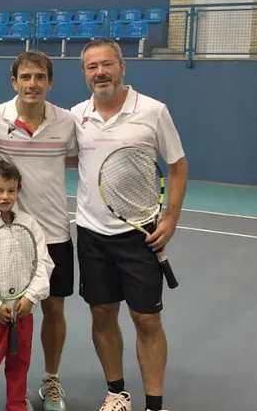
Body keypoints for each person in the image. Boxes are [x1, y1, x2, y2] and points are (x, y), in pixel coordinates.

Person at [70, 39, 188, 411]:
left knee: (146, 318)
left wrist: (170, 216)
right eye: (92, 67)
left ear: (122, 68)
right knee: (102, 313)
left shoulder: (152, 111)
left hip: (140, 234)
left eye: (107, 64)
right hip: (91, 234)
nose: (100, 72)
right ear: (85, 73)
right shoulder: (77, 115)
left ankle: (154, 404)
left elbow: (177, 165)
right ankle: (117, 392)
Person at [0, 50, 77, 411]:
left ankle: (51, 380)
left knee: (53, 310)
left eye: (40, 77)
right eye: (25, 77)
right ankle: (10, 391)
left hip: (53, 234)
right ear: (14, 82)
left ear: (50, 82)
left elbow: (83, 151)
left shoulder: (68, 122)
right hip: (6, 240)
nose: (32, 84)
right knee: (9, 315)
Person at [0, 160, 54, 411]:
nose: (5, 196)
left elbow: (43, 263)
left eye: (11, 190)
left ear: (18, 190)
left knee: (20, 362)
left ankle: (16, 405)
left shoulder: (29, 223)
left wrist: (32, 298)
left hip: (23, 310)